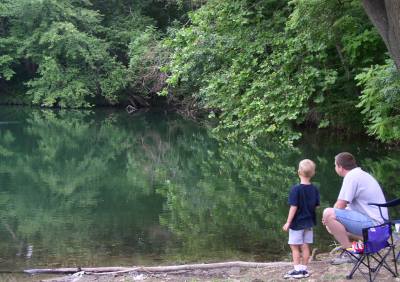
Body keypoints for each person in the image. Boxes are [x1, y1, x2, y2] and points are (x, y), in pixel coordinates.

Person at [322, 152, 388, 264]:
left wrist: (328, 218)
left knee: (328, 214)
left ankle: (351, 252)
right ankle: (358, 248)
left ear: (340, 167)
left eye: (335, 165)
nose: (335, 168)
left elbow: (339, 205)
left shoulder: (351, 176)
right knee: (332, 223)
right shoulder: (361, 174)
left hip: (373, 226)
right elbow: (347, 207)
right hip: (382, 228)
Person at [282, 159, 320, 279]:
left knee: (294, 246)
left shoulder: (295, 189)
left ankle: (297, 270)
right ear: (313, 173)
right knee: (305, 245)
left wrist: (288, 222)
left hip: (297, 223)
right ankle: (304, 269)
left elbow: (294, 207)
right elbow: (316, 205)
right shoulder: (314, 189)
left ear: (299, 172)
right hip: (309, 222)